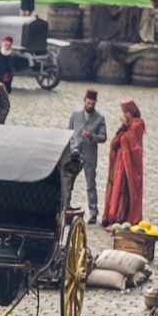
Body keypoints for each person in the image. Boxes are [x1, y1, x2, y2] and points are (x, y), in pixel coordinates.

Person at [102, 99, 145, 227]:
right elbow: (118, 140)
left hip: (129, 166)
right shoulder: (127, 125)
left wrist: (125, 129)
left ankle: (124, 218)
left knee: (125, 190)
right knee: (116, 188)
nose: (124, 115)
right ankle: (113, 216)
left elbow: (131, 142)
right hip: (120, 163)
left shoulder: (138, 124)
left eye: (125, 112)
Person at [68, 89, 107, 223]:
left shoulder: (100, 118)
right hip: (74, 153)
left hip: (90, 155)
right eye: (88, 103)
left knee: (91, 183)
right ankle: (66, 206)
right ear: (84, 100)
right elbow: (68, 133)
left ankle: (93, 212)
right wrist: (71, 147)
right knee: (69, 180)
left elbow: (103, 137)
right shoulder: (75, 116)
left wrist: (92, 136)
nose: (90, 106)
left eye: (92, 104)